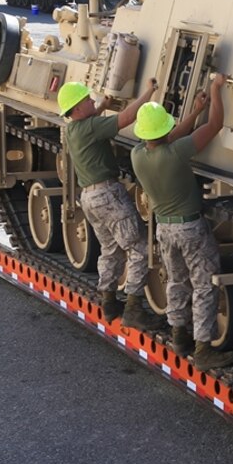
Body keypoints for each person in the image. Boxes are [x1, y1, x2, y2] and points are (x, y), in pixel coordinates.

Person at [130, 74, 233, 369]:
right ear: (165, 129)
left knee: (177, 281)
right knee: (203, 285)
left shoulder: (138, 154)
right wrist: (214, 91)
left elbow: (168, 138)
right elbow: (215, 126)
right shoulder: (175, 153)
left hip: (164, 228)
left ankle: (178, 334)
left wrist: (194, 111)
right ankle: (203, 349)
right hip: (191, 228)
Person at [57, 79, 167, 330]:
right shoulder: (90, 126)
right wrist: (148, 93)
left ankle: (108, 301)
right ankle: (133, 307)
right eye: (86, 100)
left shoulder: (73, 128)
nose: (91, 101)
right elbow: (126, 118)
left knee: (110, 247)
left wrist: (102, 106)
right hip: (108, 196)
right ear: (76, 109)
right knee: (140, 247)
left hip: (90, 198)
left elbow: (91, 121)